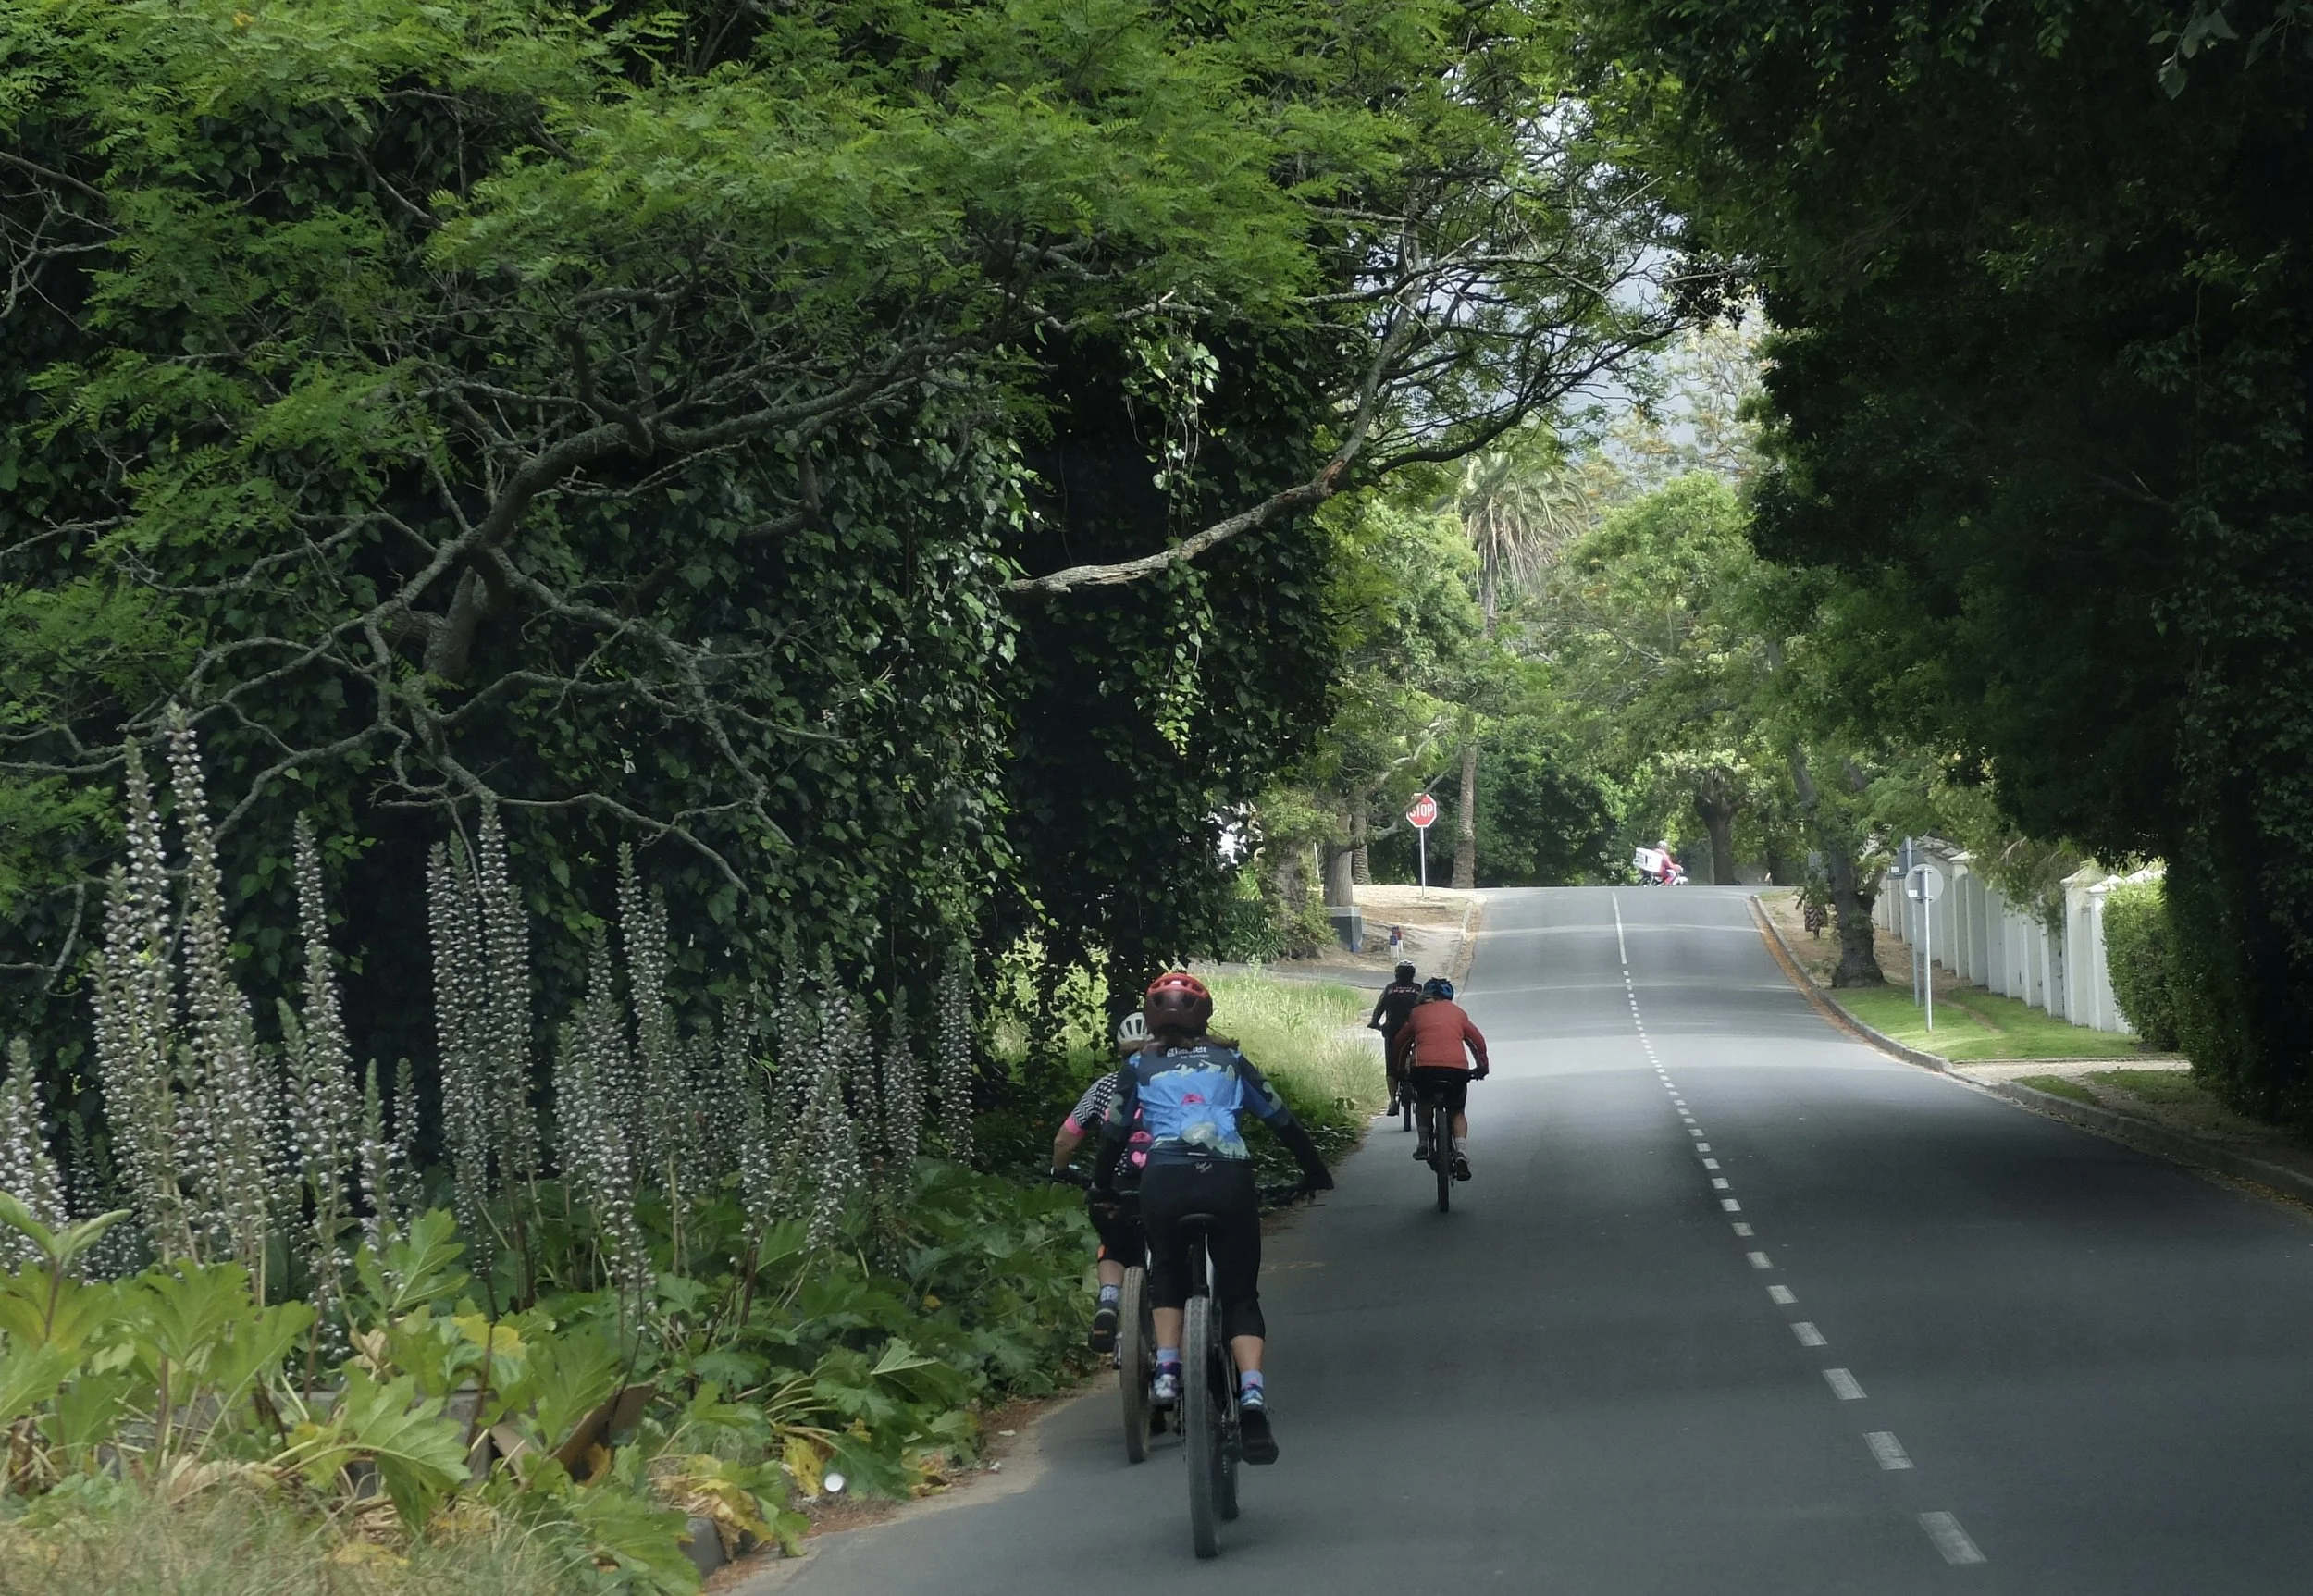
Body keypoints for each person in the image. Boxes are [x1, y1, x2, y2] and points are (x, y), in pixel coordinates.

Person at [1094, 971, 1333, 1465]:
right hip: (1228, 1181)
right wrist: (1315, 1172)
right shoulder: (1230, 1060)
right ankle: (1250, 1397)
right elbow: (1282, 1120)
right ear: (1206, 1016)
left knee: (1167, 1275)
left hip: (1165, 1182)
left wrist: (1101, 1187)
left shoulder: (1138, 1064)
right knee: (1241, 1294)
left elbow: (1114, 1132)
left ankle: (1165, 1368)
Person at [1050, 1013, 1149, 1354]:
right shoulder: (1174, 1085)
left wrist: (1060, 1173)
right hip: (1165, 1182)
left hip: (1115, 1187)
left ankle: (1108, 1301)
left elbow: (1065, 1140)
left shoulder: (1104, 1087)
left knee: (1112, 1241)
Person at [1388, 977, 1489, 1180]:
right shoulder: (1458, 1014)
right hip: (1456, 1070)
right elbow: (1476, 1041)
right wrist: (1482, 1067)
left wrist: (1399, 1069)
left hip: (1424, 1069)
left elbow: (1400, 1044)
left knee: (1424, 1100)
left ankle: (1424, 1143)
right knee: (1457, 1110)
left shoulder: (1416, 1014)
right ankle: (1460, 1152)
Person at [1367, 962, 1427, 1119]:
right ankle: (1421, 1091)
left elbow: (1379, 1008)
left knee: (1391, 1066)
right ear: (1413, 975)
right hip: (1414, 1028)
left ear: (1396, 974)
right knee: (1420, 1058)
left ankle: (1393, 1101)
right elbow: (1426, 1007)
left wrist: (1374, 1023)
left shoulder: (1389, 989)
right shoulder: (1419, 989)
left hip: (1392, 1030)